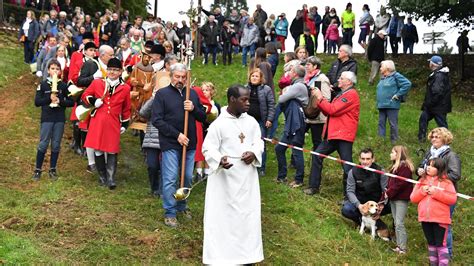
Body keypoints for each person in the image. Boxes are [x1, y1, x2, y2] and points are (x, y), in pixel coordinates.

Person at [202, 84, 264, 265]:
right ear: (232, 100)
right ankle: (220, 258)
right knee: (223, 219)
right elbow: (208, 148)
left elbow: (258, 143)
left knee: (247, 218)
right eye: (244, 100)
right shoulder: (218, 124)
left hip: (247, 180)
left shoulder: (251, 122)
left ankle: (247, 257)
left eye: (249, 99)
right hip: (224, 182)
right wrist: (220, 159)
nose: (248, 103)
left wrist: (253, 153)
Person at [151, 63, 206, 227]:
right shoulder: (162, 95)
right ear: (171, 76)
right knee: (170, 178)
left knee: (187, 177)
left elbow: (203, 117)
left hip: (189, 143)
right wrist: (177, 135)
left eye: (183, 77)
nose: (180, 80)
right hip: (170, 142)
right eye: (177, 77)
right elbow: (157, 120)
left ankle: (182, 205)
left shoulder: (192, 94)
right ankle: (170, 211)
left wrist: (194, 108)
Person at [305, 71, 360, 195]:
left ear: (349, 82)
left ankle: (349, 195)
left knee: (347, 166)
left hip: (343, 135)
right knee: (317, 155)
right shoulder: (341, 94)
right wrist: (321, 100)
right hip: (333, 134)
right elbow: (327, 111)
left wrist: (320, 97)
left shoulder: (351, 94)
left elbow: (332, 110)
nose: (338, 79)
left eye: (341, 78)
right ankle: (313, 187)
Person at [82, 58, 131, 189]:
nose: (112, 72)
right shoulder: (98, 83)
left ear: (120, 72)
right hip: (98, 120)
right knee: (97, 148)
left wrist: (125, 124)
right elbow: (85, 95)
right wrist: (93, 101)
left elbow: (126, 108)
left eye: (115, 70)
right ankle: (102, 176)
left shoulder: (125, 88)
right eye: (110, 69)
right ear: (106, 70)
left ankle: (111, 178)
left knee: (112, 149)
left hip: (113, 121)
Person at [417, 127, 461, 258]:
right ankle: (435, 257)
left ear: (445, 139)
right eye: (433, 137)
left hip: (445, 194)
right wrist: (420, 171)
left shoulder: (450, 155)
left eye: (437, 137)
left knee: (444, 227)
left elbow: (456, 174)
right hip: (429, 194)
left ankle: (447, 255)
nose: (434, 139)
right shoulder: (429, 153)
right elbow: (422, 166)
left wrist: (438, 177)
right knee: (432, 226)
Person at [32, 59, 74, 180]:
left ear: (60, 71)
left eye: (57, 69)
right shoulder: (43, 85)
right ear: (48, 70)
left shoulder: (63, 86)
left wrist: (61, 101)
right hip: (47, 118)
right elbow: (37, 102)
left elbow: (71, 101)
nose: (55, 71)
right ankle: (38, 169)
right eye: (52, 69)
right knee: (43, 143)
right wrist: (48, 99)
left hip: (59, 118)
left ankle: (52, 169)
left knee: (56, 144)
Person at [410, 158, 457, 266]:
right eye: (428, 165)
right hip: (425, 218)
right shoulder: (421, 181)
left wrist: (436, 193)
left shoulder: (447, 182)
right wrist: (422, 191)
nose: (429, 167)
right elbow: (413, 198)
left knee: (441, 245)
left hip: (440, 219)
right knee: (431, 244)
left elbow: (452, 199)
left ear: (439, 169)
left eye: (433, 166)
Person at [341, 148, 391, 233]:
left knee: (394, 205)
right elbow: (350, 191)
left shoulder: (381, 171)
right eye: (363, 159)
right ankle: (363, 222)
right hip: (360, 202)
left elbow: (386, 190)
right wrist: (359, 206)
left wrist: (381, 205)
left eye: (368, 159)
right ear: (359, 159)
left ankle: (392, 230)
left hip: (376, 203)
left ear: (373, 159)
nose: (365, 161)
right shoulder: (352, 172)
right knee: (346, 209)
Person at [275, 65, 308, 188]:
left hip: (296, 122)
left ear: (295, 74)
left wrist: (285, 92)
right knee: (279, 149)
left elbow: (282, 99)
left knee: (296, 150)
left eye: (291, 71)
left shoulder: (298, 86)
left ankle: (299, 179)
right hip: (291, 123)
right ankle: (282, 176)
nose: (289, 73)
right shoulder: (296, 85)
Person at [385, 145, 414, 254]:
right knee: (396, 222)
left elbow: (400, 184)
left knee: (399, 223)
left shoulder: (404, 167)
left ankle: (402, 248)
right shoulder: (394, 166)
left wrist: (389, 192)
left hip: (401, 198)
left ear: (398, 154)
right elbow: (391, 182)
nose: (390, 154)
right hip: (394, 198)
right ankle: (399, 246)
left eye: (392, 152)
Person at [245, 68, 275, 176]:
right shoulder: (245, 88)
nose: (254, 78)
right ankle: (248, 163)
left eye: (257, 76)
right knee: (246, 141)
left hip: (261, 120)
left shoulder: (266, 89)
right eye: (253, 76)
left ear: (261, 78)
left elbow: (271, 105)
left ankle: (261, 167)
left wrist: (269, 119)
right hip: (247, 120)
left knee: (261, 143)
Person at [376, 60, 412, 144]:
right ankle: (380, 141)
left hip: (392, 104)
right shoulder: (383, 77)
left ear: (387, 67)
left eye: (382, 66)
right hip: (381, 105)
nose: (380, 68)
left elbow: (407, 84)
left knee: (393, 124)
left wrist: (398, 94)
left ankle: (394, 141)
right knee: (381, 123)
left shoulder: (396, 75)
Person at [418, 56, 451, 142]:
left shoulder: (439, 76)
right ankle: (421, 139)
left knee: (442, 125)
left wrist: (430, 103)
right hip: (434, 105)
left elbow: (437, 92)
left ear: (432, 64)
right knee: (423, 118)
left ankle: (446, 141)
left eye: (430, 62)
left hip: (438, 106)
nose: (429, 64)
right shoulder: (437, 74)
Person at [304, 56, 331, 151]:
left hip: (318, 116)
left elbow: (326, 97)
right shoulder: (307, 78)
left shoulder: (321, 79)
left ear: (315, 66)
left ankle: (316, 163)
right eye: (305, 64)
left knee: (317, 142)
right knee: (297, 138)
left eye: (308, 64)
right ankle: (294, 162)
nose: (306, 66)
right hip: (307, 114)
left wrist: (318, 108)